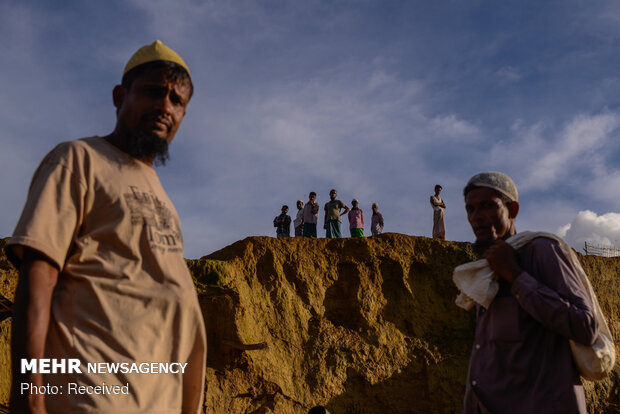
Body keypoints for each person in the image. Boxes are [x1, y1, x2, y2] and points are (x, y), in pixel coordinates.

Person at [6, 41, 206, 414]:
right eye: (153, 92)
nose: (166, 107)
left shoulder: (163, 196)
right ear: (120, 96)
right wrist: (28, 398)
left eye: (178, 101)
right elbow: (38, 279)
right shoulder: (78, 160)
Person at [461, 171, 598, 414]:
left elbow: (585, 326)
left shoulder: (541, 251)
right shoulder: (488, 271)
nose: (476, 218)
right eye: (470, 209)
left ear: (512, 210)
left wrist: (516, 276)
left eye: (486, 206)